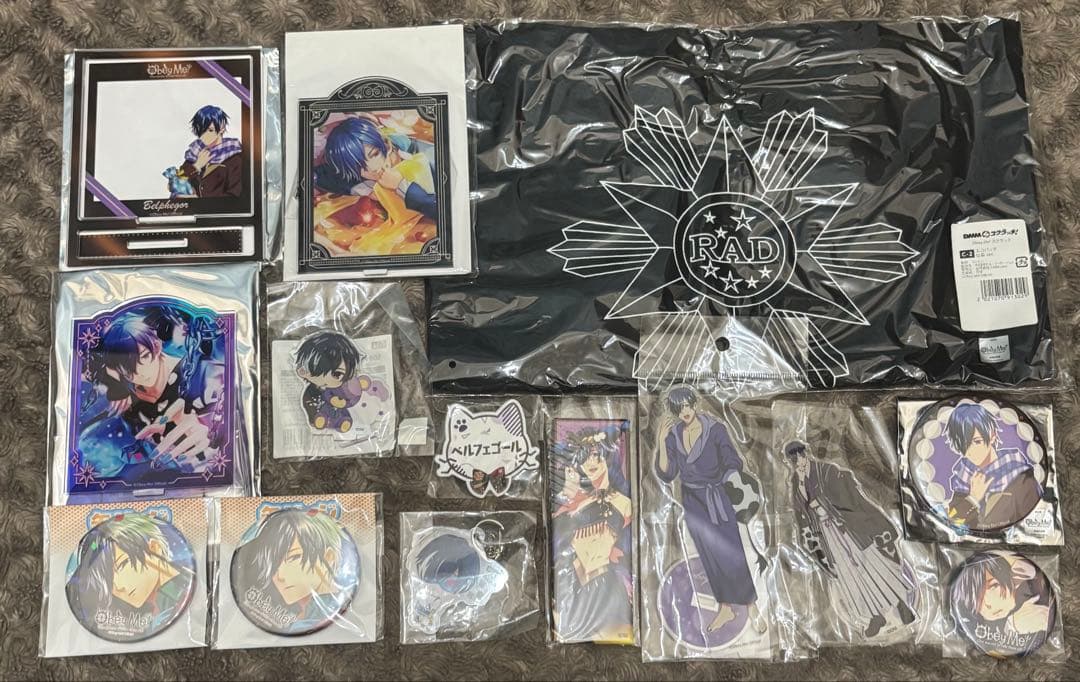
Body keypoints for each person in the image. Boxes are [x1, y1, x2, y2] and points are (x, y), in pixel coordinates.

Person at [655, 386, 763, 633]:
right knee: (709, 556)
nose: (684, 412)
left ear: (695, 404)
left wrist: (731, 480)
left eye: (687, 405)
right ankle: (725, 608)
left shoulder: (715, 429)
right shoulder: (674, 436)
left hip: (718, 498)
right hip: (693, 501)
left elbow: (732, 460)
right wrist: (661, 441)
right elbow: (667, 473)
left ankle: (751, 605)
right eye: (679, 408)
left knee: (732, 552)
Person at [79, 304, 227, 482]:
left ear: (156, 346)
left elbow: (233, 414)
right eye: (127, 369)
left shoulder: (204, 373)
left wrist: (211, 428)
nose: (139, 373)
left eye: (144, 357)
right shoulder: (125, 389)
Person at [784, 440, 917, 637]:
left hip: (849, 530)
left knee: (874, 565)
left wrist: (825, 506)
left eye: (800, 458)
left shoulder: (826, 471)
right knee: (848, 575)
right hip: (827, 536)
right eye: (794, 461)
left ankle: (902, 604)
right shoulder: (796, 482)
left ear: (805, 454)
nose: (799, 463)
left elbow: (848, 496)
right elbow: (800, 513)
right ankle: (874, 616)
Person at [551, 425, 633, 642]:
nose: (591, 463)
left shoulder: (623, 503)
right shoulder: (573, 500)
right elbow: (557, 541)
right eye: (584, 458)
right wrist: (568, 494)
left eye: (596, 455)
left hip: (608, 588)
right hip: (572, 587)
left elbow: (629, 549)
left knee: (616, 635)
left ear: (607, 457)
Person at [235, 508, 353, 633]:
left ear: (329, 557)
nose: (279, 576)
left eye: (294, 557)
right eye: (273, 565)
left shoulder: (322, 614)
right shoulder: (301, 617)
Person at [69, 513, 192, 630]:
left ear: (155, 548)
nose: (118, 587)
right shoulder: (142, 610)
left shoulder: (181, 592)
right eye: (109, 577)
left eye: (122, 565)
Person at [315, 115, 437, 221]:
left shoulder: (428, 157)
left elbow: (441, 210)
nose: (372, 168)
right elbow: (320, 176)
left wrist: (400, 185)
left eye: (374, 154)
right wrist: (364, 189)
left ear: (387, 145)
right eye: (359, 166)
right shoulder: (351, 174)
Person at [944, 403, 1042, 529]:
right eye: (963, 445)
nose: (971, 451)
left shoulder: (1020, 477)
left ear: (992, 436)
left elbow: (1030, 525)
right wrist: (973, 499)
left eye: (977, 441)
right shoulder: (964, 476)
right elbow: (953, 522)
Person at [952, 551, 1054, 647]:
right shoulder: (972, 623)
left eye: (994, 586)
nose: (987, 604)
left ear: (1011, 579)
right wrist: (1012, 626)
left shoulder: (1033, 588)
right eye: (975, 597)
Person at [293, 331, 364, 433]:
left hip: (338, 414)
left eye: (337, 374)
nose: (329, 379)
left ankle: (343, 421)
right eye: (319, 369)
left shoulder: (339, 388)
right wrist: (314, 416)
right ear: (302, 371)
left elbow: (349, 399)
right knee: (315, 412)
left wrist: (342, 402)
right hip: (320, 415)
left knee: (342, 414)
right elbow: (308, 405)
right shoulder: (310, 392)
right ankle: (319, 419)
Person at [176, 104, 243, 198]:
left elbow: (235, 196)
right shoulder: (194, 154)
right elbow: (176, 184)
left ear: (222, 128)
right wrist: (196, 166)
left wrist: (201, 202)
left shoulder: (235, 158)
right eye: (201, 131)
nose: (204, 136)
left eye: (210, 130)